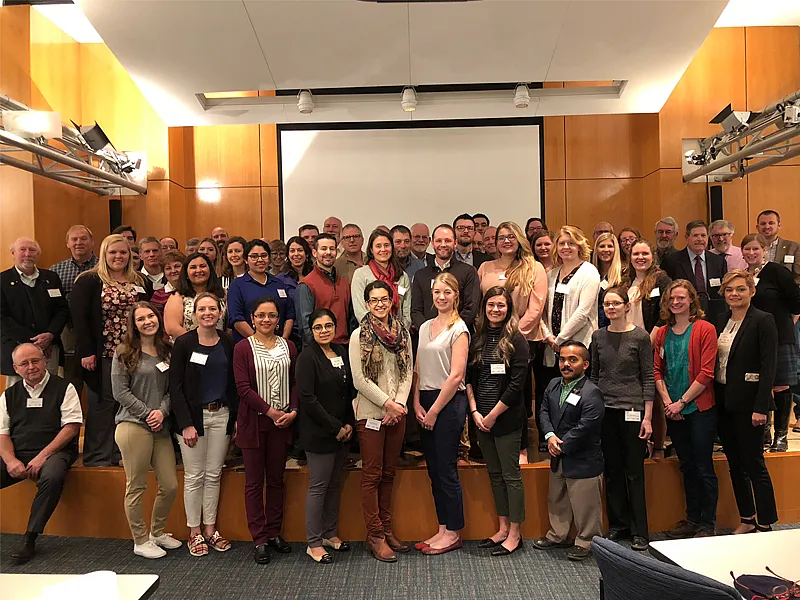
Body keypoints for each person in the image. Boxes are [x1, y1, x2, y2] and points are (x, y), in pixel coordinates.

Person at [71, 234, 152, 467]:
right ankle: (98, 456)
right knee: (103, 403)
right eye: (113, 252)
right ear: (104, 254)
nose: (118, 257)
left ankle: (123, 454)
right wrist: (87, 351)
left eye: (123, 252)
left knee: (129, 403)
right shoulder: (89, 280)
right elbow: (80, 319)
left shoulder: (141, 281)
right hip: (103, 353)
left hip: (134, 352)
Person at [0, 343, 82, 564]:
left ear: (45, 360)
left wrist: (43, 456)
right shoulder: (8, 395)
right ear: (16, 368)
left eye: (35, 361)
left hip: (56, 451)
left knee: (53, 475)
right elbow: (3, 434)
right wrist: (10, 460)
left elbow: (71, 427)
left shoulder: (65, 388)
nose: (31, 367)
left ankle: (30, 537)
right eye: (24, 363)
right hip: (18, 452)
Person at [350, 282, 413, 562]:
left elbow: (408, 371)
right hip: (371, 414)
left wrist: (398, 404)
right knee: (372, 475)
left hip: (396, 413)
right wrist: (386, 403)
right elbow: (359, 380)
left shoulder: (403, 334)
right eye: (373, 300)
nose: (379, 304)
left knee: (389, 473)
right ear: (366, 303)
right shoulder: (357, 336)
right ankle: (374, 535)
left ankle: (387, 529)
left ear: (391, 302)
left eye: (384, 299)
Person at [170, 292, 237, 556]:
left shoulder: (228, 342)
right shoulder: (184, 343)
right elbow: (175, 387)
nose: (208, 313)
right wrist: (185, 423)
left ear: (220, 312)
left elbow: (233, 385)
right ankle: (194, 532)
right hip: (193, 419)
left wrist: (233, 420)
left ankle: (210, 530)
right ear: (194, 314)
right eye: (202, 309)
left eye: (212, 308)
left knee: (214, 474)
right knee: (195, 476)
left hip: (221, 415)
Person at [112, 302, 180, 559]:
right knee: (136, 485)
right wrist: (146, 413)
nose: (148, 321)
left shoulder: (168, 351)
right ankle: (140, 540)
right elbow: (120, 392)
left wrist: (161, 412)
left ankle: (157, 532)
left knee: (170, 485)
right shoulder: (125, 352)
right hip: (132, 425)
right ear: (134, 324)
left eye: (151, 316)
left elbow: (172, 389)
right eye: (141, 319)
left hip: (160, 424)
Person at [233, 296, 299, 564]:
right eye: (261, 315)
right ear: (252, 318)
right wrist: (270, 412)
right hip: (255, 422)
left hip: (282, 423)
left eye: (272, 315)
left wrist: (292, 411)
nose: (266, 320)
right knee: (253, 483)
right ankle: (259, 537)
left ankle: (274, 532)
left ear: (278, 319)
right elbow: (243, 388)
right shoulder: (242, 348)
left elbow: (295, 382)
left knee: (276, 479)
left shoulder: (290, 346)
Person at [714, 270, 778, 534]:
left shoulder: (763, 321)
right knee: (734, 464)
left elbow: (769, 366)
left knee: (754, 464)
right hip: (724, 401)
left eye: (740, 289)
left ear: (751, 291)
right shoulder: (720, 320)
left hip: (751, 405)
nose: (735, 294)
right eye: (730, 290)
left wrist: (761, 407)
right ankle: (747, 518)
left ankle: (766, 521)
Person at [653, 280, 719, 538]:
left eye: (681, 298)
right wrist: (669, 402)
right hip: (673, 409)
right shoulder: (661, 333)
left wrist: (682, 402)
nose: (676, 302)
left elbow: (707, 372)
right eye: (672, 299)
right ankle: (692, 518)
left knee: (703, 467)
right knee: (687, 466)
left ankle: (708, 523)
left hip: (699, 409)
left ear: (692, 299)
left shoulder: (705, 329)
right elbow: (658, 370)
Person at [477, 221, 547, 462]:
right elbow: (480, 306)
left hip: (521, 339)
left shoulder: (533, 268)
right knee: (489, 390)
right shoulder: (485, 267)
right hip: (489, 339)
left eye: (510, 236)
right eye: (501, 237)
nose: (506, 241)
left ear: (519, 240)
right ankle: (490, 443)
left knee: (518, 394)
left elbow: (536, 309)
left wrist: (511, 335)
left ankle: (521, 448)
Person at [466, 287, 528, 556]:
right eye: (491, 305)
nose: (495, 310)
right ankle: (502, 528)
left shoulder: (517, 340)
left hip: (505, 419)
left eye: (501, 305)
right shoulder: (478, 337)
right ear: (484, 307)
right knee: (494, 475)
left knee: (511, 476)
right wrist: (475, 412)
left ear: (509, 309)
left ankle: (515, 534)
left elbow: (517, 386)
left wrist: (492, 415)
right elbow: (469, 377)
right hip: (481, 419)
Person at [591, 288, 653, 551]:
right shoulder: (598, 336)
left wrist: (648, 417)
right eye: (607, 304)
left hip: (633, 411)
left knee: (634, 472)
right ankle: (619, 525)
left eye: (616, 303)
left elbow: (647, 377)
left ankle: (640, 530)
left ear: (627, 306)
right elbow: (594, 376)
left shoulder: (640, 336)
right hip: (606, 410)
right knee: (613, 470)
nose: (611, 308)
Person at [413, 272, 469, 555]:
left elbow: (456, 374)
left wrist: (433, 411)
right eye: (437, 292)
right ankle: (442, 528)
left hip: (447, 404)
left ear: (455, 295)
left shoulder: (459, 329)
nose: (441, 297)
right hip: (425, 400)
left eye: (447, 292)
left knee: (446, 471)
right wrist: (416, 403)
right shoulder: (424, 327)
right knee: (434, 471)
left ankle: (454, 532)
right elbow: (418, 369)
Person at [533, 341, 604, 561]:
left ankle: (586, 541)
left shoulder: (592, 392)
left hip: (582, 457)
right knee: (558, 499)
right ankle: (558, 535)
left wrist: (559, 445)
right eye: (562, 359)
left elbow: (587, 425)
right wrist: (549, 436)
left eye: (572, 360)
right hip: (558, 454)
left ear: (585, 364)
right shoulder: (554, 384)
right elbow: (543, 411)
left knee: (586, 504)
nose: (565, 364)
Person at [297, 308, 355, 564]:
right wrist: (335, 427)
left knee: (334, 485)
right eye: (318, 327)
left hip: (342, 432)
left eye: (328, 326)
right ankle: (314, 542)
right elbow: (308, 399)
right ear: (311, 330)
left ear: (335, 327)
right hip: (319, 433)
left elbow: (348, 391)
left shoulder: (341, 351)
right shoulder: (307, 357)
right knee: (318, 488)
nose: (324, 331)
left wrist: (348, 424)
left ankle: (330, 533)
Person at [741, 234, 800, 452]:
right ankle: (764, 433)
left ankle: (781, 436)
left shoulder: (777, 272)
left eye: (756, 248)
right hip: (754, 339)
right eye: (747, 249)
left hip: (780, 337)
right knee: (758, 384)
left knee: (781, 385)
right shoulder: (743, 276)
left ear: (764, 250)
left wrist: (786, 325)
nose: (751, 253)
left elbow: (796, 302)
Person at [624, 239, 672, 459]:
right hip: (628, 345)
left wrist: (649, 340)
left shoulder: (661, 279)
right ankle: (640, 443)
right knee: (634, 397)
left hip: (651, 344)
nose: (640, 258)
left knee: (654, 396)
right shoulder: (626, 280)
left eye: (644, 253)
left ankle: (660, 446)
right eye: (636, 254)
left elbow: (666, 312)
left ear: (653, 256)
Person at [1, 237, 69, 385]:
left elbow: (62, 310)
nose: (27, 254)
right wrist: (33, 343)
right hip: (17, 351)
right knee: (18, 398)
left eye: (32, 250)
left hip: (49, 350)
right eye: (22, 250)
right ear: (13, 253)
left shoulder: (51, 278)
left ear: (37, 254)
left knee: (50, 393)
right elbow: (2, 318)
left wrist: (50, 334)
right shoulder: (2, 281)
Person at [540, 225, 601, 392]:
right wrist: (547, 336)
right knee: (554, 394)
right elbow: (542, 311)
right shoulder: (551, 274)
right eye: (562, 243)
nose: (566, 248)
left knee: (577, 396)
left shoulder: (589, 272)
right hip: (552, 347)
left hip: (578, 344)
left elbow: (583, 312)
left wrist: (560, 340)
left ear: (579, 246)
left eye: (571, 243)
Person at [51, 225, 99, 395]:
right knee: (71, 379)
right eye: (74, 239)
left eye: (84, 238)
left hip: (97, 330)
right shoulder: (56, 270)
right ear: (67, 243)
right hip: (68, 331)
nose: (79, 242)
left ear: (92, 242)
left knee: (97, 379)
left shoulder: (103, 267)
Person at [411, 224, 481, 332]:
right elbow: (416, 311)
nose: (443, 245)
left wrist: (450, 331)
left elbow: (470, 308)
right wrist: (429, 331)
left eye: (447, 241)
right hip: (428, 337)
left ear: (455, 243)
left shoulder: (468, 272)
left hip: (458, 335)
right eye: (439, 241)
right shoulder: (420, 275)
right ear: (432, 243)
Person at [227, 240, 294, 344]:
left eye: (264, 255)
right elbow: (236, 319)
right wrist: (260, 342)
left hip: (279, 345)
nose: (260, 260)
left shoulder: (278, 283)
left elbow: (289, 315)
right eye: (254, 256)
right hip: (250, 344)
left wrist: (283, 341)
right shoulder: (237, 285)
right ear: (245, 260)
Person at [661, 220, 727, 322]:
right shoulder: (671, 261)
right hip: (684, 318)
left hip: (714, 317)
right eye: (695, 235)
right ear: (687, 238)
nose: (700, 239)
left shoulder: (718, 261)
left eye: (703, 235)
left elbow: (722, 292)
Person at [295, 234, 353, 345]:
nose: (328, 252)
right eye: (323, 249)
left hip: (344, 347)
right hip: (319, 350)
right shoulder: (306, 285)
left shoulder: (345, 284)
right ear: (314, 253)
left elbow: (350, 320)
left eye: (332, 249)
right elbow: (305, 327)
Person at [351, 230, 412, 330]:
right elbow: (360, 311)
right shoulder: (361, 275)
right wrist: (382, 332)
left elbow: (406, 310)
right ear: (371, 249)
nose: (383, 250)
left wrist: (400, 332)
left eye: (387, 245)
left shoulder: (402, 276)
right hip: (370, 334)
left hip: (399, 334)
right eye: (378, 246)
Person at [164, 253, 226, 340]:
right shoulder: (177, 296)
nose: (198, 270)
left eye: (202, 266)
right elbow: (172, 329)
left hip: (218, 345)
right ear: (186, 273)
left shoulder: (223, 294)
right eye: (193, 267)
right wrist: (201, 342)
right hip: (188, 346)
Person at [756, 209, 800, 284]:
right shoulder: (751, 248)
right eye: (763, 224)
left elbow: (798, 276)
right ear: (757, 227)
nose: (767, 226)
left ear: (779, 225)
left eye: (771, 223)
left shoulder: (794, 247)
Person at [591, 232, 624, 329]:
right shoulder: (590, 272)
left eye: (610, 246)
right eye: (602, 246)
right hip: (592, 327)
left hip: (615, 327)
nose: (606, 250)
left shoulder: (624, 274)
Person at [150, 251, 185, 317]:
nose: (173, 271)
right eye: (168, 268)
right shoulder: (159, 294)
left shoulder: (194, 288)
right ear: (164, 272)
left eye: (177, 266)